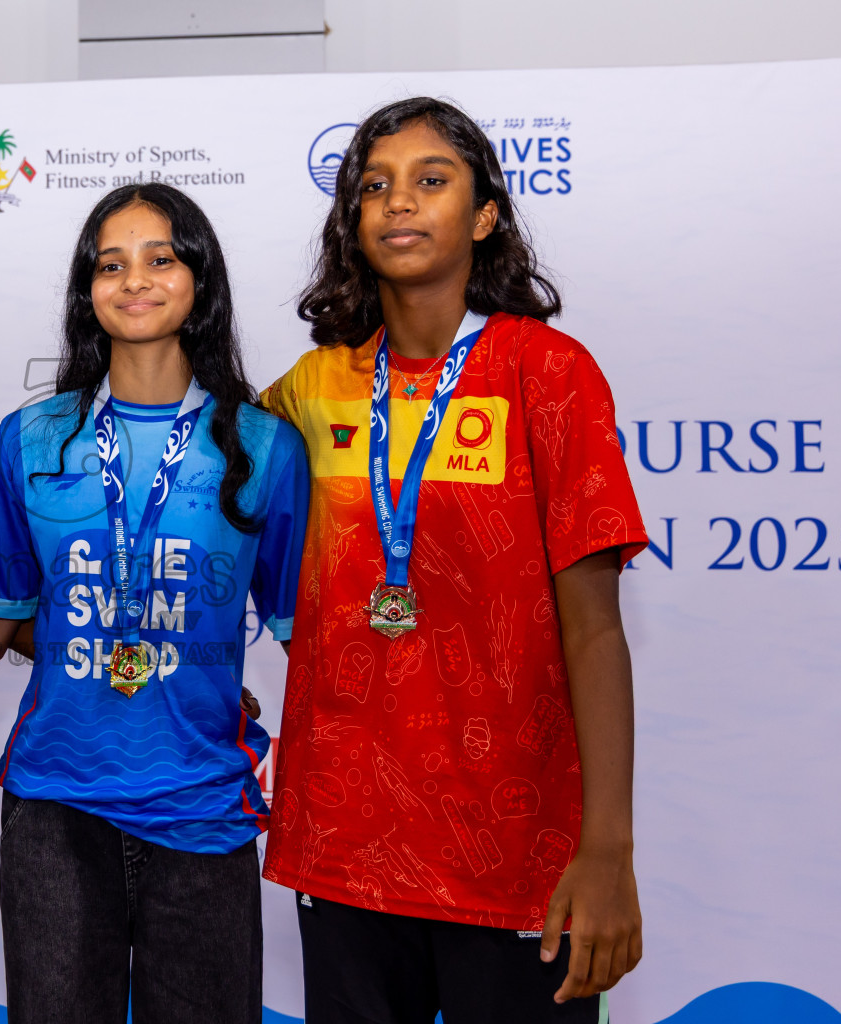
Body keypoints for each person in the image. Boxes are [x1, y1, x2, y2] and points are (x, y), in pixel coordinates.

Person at [260, 96, 648, 1024]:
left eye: (431, 181)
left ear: (483, 217)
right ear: (352, 221)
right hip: (345, 843)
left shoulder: (548, 372)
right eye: (375, 186)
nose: (399, 201)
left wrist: (609, 850)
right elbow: (203, 483)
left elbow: (595, 631)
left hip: (515, 856)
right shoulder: (314, 386)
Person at [0, 182, 310, 1024]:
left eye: (161, 259)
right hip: (56, 804)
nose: (136, 280)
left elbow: (311, 638)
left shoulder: (263, 446)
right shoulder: (30, 441)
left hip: (204, 803)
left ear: (200, 280)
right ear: (87, 289)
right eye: (111, 264)